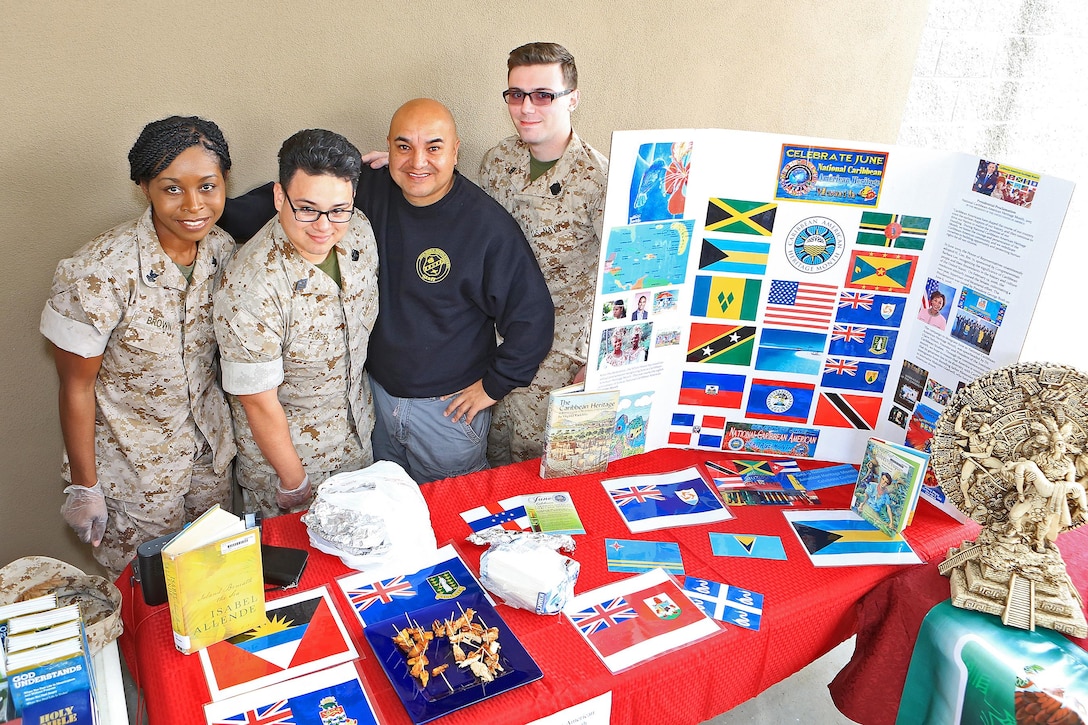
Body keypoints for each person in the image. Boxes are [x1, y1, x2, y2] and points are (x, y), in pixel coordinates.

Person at [218, 100, 553, 484]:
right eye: (404, 146)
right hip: (375, 404)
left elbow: (534, 318)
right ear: (388, 149)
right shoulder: (369, 189)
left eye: (434, 147)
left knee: (447, 517)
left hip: (445, 414)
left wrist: (494, 386)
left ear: (456, 150)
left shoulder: (487, 227)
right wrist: (209, 208)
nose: (418, 162)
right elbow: (301, 192)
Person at [41, 116, 237, 579]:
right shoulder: (97, 271)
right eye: (172, 189)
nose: (194, 205)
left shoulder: (224, 252)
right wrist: (85, 488)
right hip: (134, 482)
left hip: (209, 466)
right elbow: (76, 387)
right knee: (145, 607)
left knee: (216, 590)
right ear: (144, 187)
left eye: (207, 186)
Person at [213, 130, 378, 516]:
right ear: (278, 197)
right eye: (306, 208)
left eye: (339, 209)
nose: (324, 225)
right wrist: (294, 482)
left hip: (357, 443)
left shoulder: (359, 233)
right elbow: (257, 402)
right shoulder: (251, 286)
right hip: (291, 468)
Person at [479, 42, 610, 465]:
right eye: (516, 94)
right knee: (492, 466)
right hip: (498, 348)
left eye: (542, 95)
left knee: (547, 474)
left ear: (573, 98)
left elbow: (629, 279)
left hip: (561, 359)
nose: (526, 108)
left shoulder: (601, 179)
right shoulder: (498, 160)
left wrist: (602, 363)